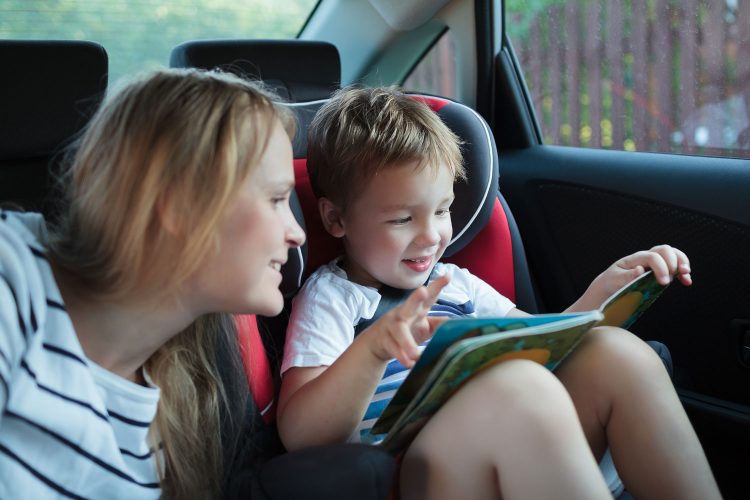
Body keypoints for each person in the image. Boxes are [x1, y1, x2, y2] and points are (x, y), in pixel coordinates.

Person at [278, 86, 722, 500]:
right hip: (412, 473)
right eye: (401, 220)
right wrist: (374, 349)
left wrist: (603, 292)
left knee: (614, 351)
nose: (431, 236)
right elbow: (300, 434)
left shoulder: (459, 284)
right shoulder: (332, 298)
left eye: (442, 210)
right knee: (518, 385)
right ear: (336, 220)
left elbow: (541, 344)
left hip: (511, 444)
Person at [0, 68, 394, 499]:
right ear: (179, 207)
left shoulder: (176, 409)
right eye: (277, 199)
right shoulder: (13, 273)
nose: (297, 233)